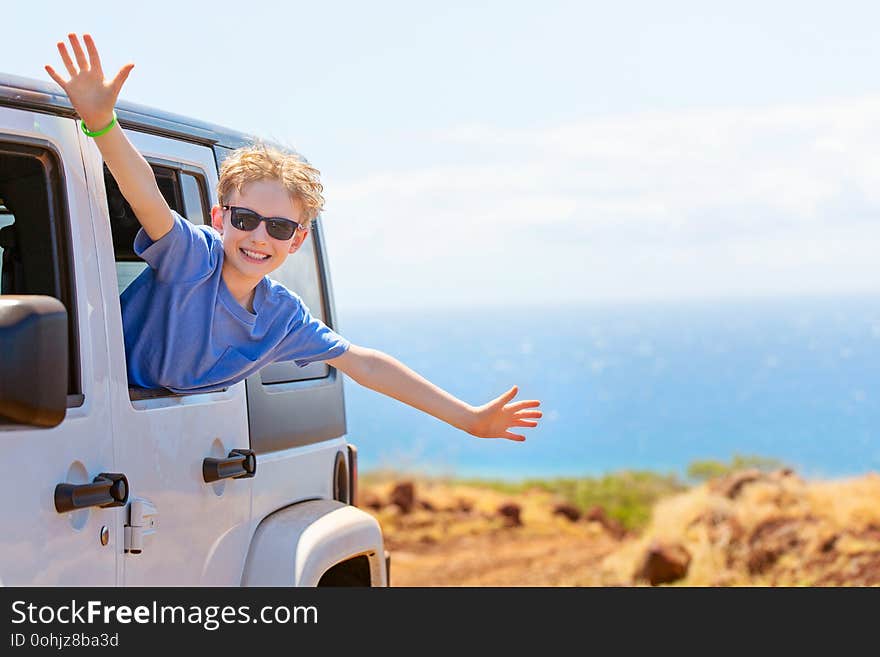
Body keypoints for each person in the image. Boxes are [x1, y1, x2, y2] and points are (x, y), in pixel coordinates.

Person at [46, 32, 542, 442]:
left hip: (149, 444)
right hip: (80, 411)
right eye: (245, 219)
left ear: (296, 241)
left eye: (279, 227)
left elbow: (366, 365)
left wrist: (469, 419)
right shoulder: (192, 257)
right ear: (219, 218)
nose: (259, 236)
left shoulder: (281, 317)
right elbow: (147, 196)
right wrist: (101, 123)